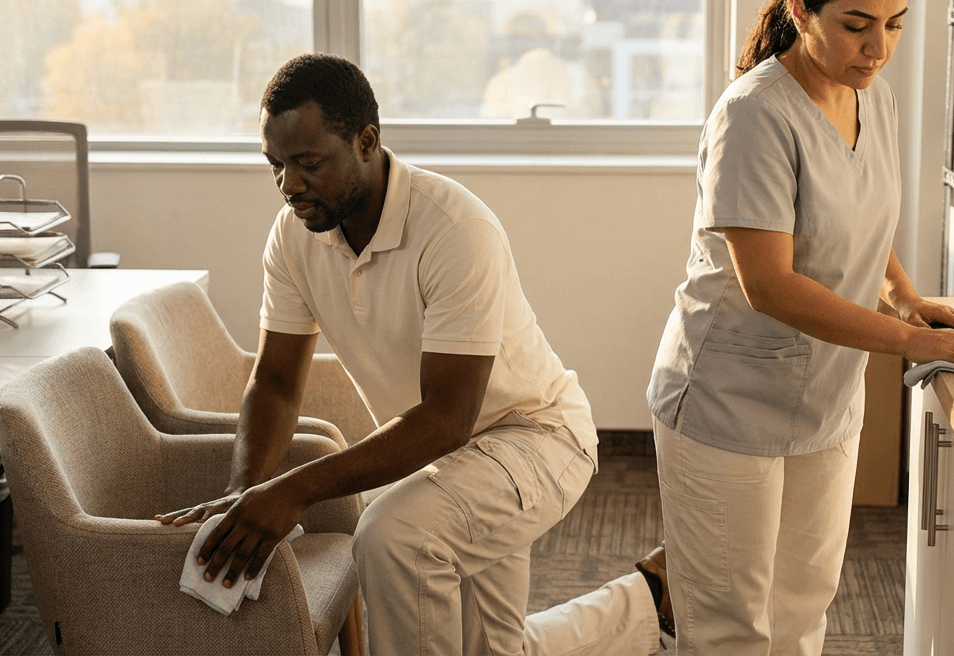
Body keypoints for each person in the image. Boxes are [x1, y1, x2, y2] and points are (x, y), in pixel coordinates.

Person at [156, 53, 667, 655]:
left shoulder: (453, 227)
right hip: (446, 457)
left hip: (537, 438)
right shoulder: (294, 235)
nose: (289, 185)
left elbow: (449, 414)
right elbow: (274, 381)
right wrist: (248, 495)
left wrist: (293, 491)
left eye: (308, 163)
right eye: (275, 165)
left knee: (392, 534)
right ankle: (652, 599)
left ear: (366, 141)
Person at [642, 0, 954, 655]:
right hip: (727, 400)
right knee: (729, 628)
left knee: (803, 607)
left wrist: (906, 295)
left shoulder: (872, 95)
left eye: (895, 25)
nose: (878, 48)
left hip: (826, 398)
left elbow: (861, 221)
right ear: (799, 11)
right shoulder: (754, 116)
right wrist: (912, 340)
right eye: (855, 25)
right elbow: (770, 286)